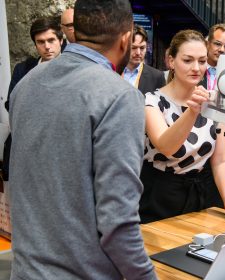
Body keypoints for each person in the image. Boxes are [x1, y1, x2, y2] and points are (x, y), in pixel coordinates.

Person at [8, 0, 156, 279]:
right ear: (125, 39)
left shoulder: (27, 83)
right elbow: (118, 222)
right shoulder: (119, 97)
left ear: (74, 31)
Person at [139, 29, 225, 228]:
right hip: (161, 196)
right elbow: (166, 146)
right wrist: (192, 111)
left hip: (204, 193)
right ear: (171, 61)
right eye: (187, 60)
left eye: (202, 61)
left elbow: (221, 159)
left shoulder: (214, 100)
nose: (196, 68)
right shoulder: (152, 101)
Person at [2, 17, 63, 181]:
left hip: (59, 149)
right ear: (35, 44)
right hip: (25, 146)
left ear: (61, 40)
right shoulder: (23, 69)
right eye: (41, 42)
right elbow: (11, 104)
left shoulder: (73, 70)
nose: (47, 47)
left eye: (51, 40)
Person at [199, 24, 225, 171]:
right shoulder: (195, 69)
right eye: (217, 44)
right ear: (207, 42)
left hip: (223, 139)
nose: (222, 49)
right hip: (196, 140)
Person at [122, 25, 165, 94]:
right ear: (124, 47)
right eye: (133, 48)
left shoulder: (157, 76)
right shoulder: (112, 72)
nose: (138, 53)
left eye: (142, 48)